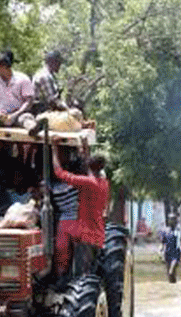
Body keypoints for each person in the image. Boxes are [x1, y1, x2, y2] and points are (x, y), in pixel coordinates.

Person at [51, 144, 109, 277]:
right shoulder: (104, 183)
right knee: (91, 272)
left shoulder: (88, 183)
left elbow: (60, 173)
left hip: (86, 236)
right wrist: (85, 150)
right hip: (98, 235)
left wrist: (53, 151)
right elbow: (90, 169)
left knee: (82, 274)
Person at [49, 148, 81, 286]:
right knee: (60, 247)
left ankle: (78, 276)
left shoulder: (75, 180)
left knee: (79, 248)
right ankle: (61, 275)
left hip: (78, 218)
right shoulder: (52, 186)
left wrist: (54, 149)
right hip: (65, 219)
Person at [32, 50, 68, 115]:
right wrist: (68, 109)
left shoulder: (48, 75)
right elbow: (53, 100)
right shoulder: (45, 76)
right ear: (52, 62)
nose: (60, 65)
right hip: (39, 111)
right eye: (58, 62)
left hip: (42, 109)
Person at [160, 213, 181, 283]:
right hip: (167, 253)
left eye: (173, 219)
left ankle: (173, 282)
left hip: (176, 253)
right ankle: (173, 285)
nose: (172, 221)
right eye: (170, 219)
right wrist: (161, 252)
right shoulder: (165, 231)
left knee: (171, 272)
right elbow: (162, 242)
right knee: (170, 274)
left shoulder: (179, 231)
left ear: (176, 221)